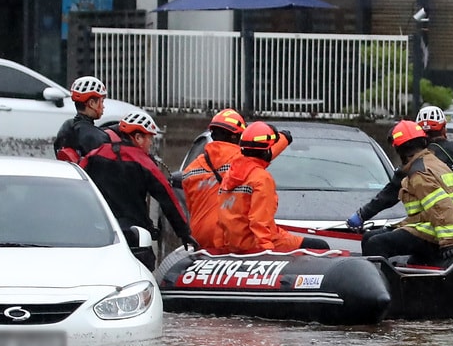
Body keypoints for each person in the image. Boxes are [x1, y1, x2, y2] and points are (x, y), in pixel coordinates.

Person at [347, 104, 453, 240]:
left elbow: (388, 195)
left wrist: (362, 215)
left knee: (375, 240)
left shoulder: (417, 159)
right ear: (444, 129)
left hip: (433, 234)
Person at [79, 111, 196, 269]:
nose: (151, 143)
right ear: (138, 137)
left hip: (100, 234)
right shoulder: (144, 163)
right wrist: (184, 232)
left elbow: (79, 185)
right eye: (149, 138)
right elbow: (168, 198)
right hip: (135, 237)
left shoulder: (95, 155)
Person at [217, 121, 330, 253]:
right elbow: (259, 221)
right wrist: (266, 252)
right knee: (320, 246)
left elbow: (222, 217)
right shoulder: (261, 178)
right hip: (257, 243)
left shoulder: (229, 175)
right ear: (267, 150)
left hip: (234, 244)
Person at [360, 120, 453, 266]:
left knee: (376, 243)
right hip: (431, 227)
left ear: (400, 150)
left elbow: (442, 206)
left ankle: (383, 284)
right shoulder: (433, 162)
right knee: (369, 237)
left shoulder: (418, 173)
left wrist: (448, 242)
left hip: (431, 233)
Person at [179, 107, 246, 250]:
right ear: (236, 137)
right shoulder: (242, 161)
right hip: (231, 243)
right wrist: (284, 138)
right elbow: (266, 155)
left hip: (200, 243)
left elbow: (190, 206)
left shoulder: (192, 169)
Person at [53, 75, 110, 163]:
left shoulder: (66, 126)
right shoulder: (97, 137)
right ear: (91, 103)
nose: (103, 106)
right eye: (101, 101)